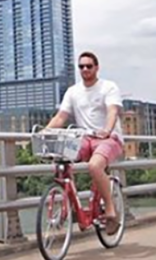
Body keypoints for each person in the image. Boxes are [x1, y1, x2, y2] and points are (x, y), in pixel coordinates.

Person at [40, 51, 125, 234]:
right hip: (84, 138)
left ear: (97, 67)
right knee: (62, 159)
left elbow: (112, 111)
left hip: (108, 138)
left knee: (94, 167)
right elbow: (61, 116)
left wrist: (107, 130)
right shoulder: (73, 91)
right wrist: (45, 131)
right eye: (81, 66)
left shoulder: (108, 87)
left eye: (89, 66)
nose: (85, 69)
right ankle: (71, 204)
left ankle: (110, 210)